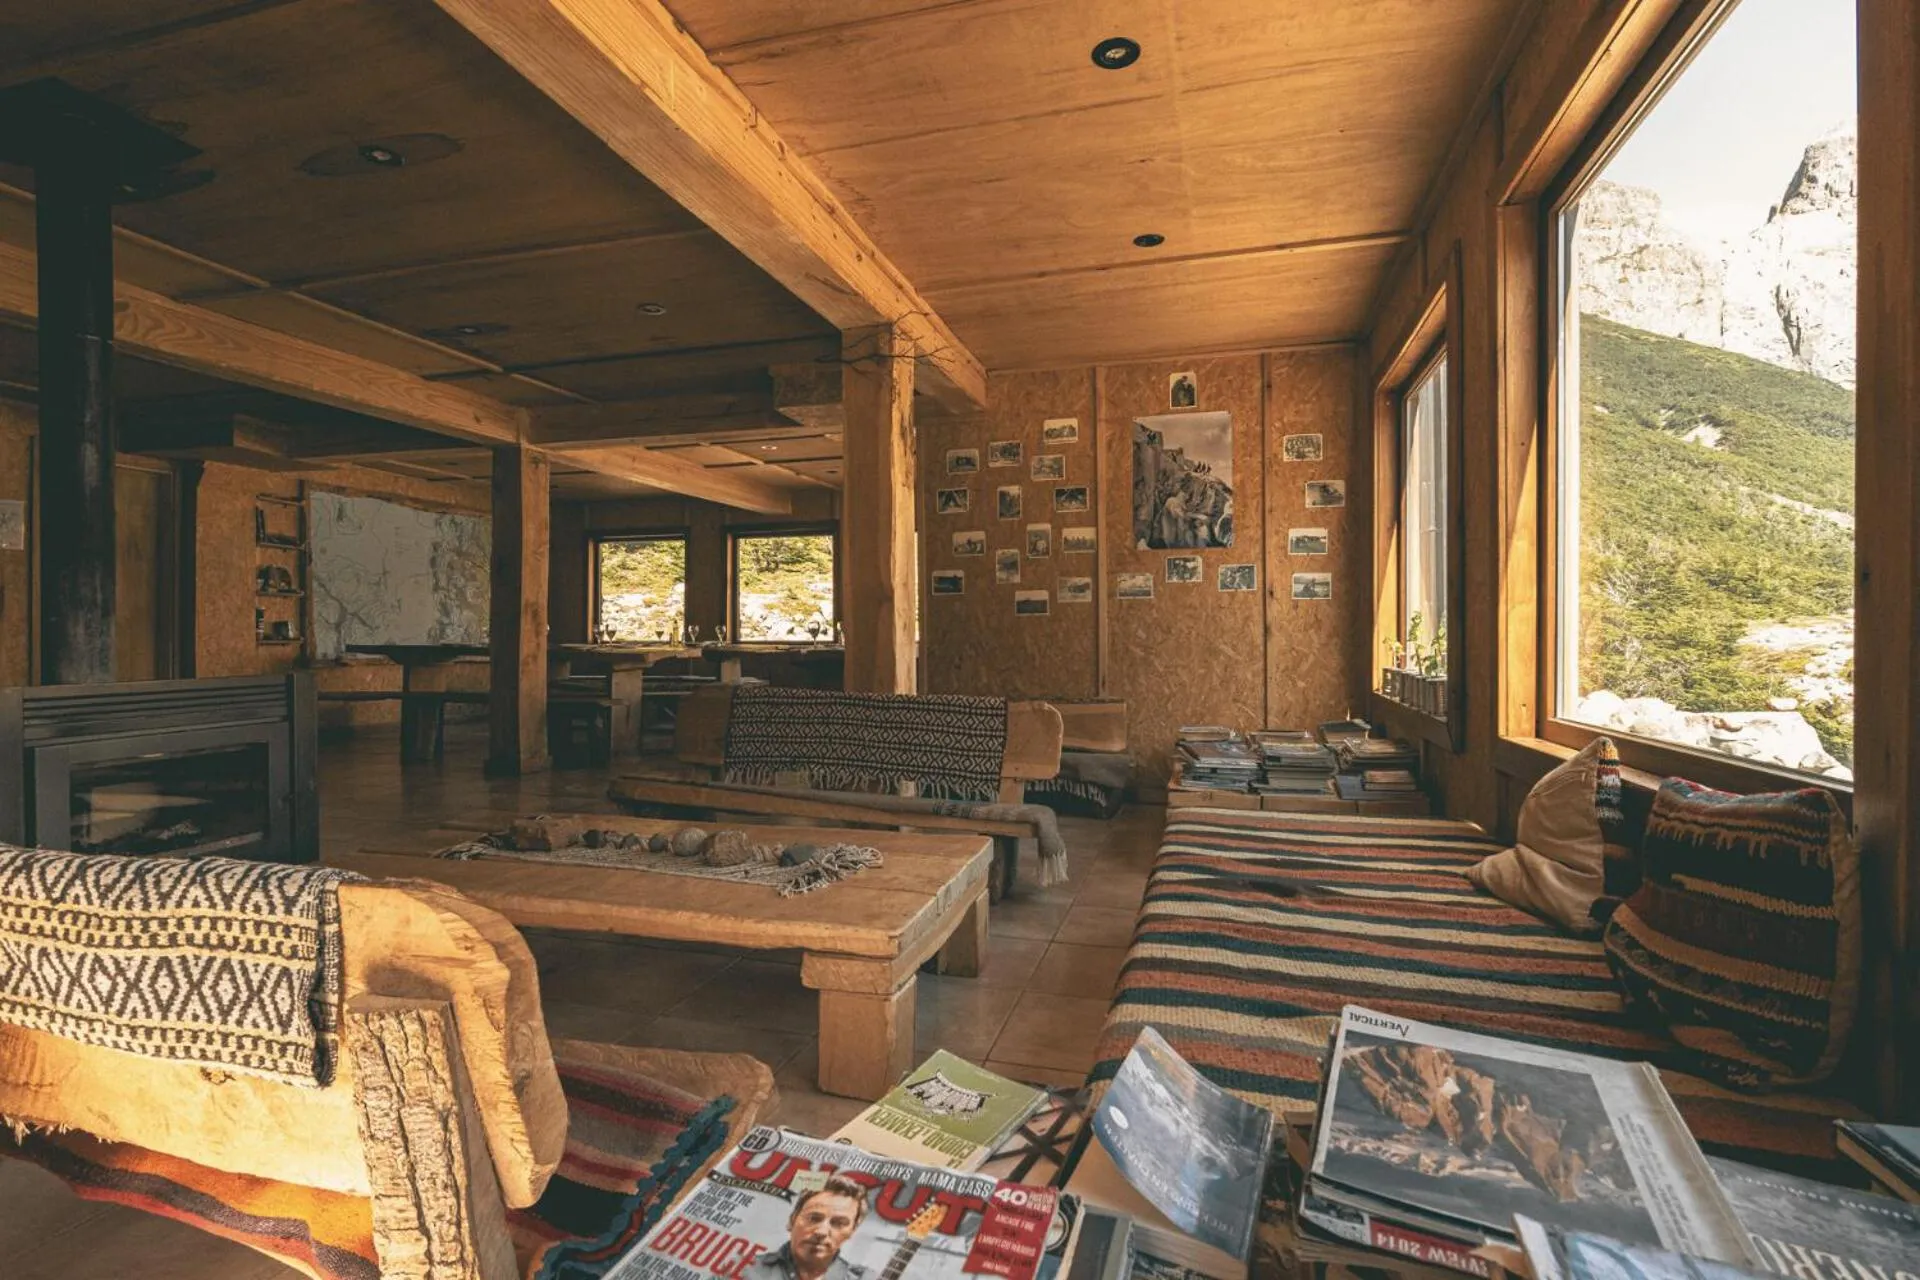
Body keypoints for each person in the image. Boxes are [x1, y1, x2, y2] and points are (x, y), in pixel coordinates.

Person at [741, 1179, 870, 1280]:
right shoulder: (743, 1268)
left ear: (852, 1231)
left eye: (839, 1223)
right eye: (813, 1218)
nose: (822, 1232)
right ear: (792, 1220)